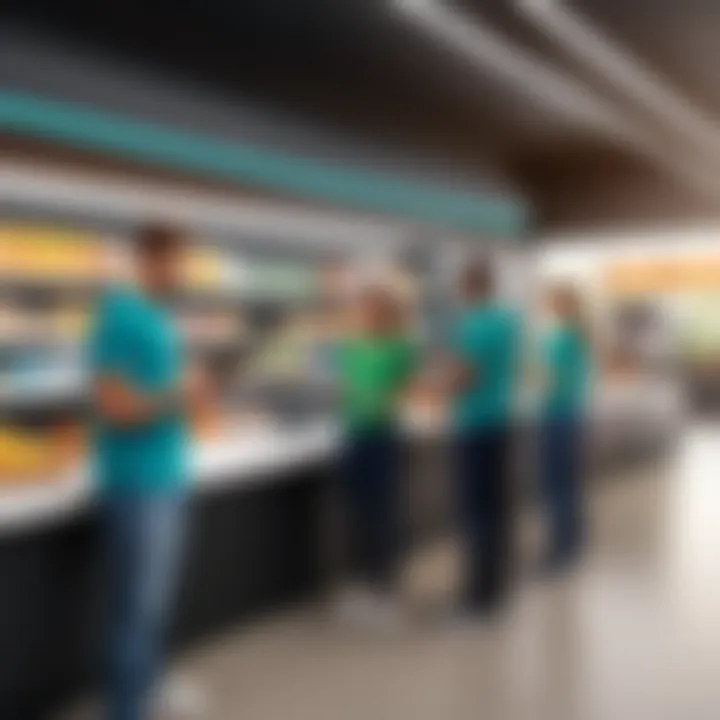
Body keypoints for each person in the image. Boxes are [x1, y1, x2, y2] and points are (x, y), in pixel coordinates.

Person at [87, 223, 208, 720]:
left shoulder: (158, 317)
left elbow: (157, 397)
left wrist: (186, 397)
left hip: (165, 477)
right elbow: (114, 406)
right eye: (177, 260)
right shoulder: (119, 316)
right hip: (137, 485)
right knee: (136, 611)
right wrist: (180, 394)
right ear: (149, 259)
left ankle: (148, 687)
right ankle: (125, 707)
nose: (183, 271)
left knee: (152, 606)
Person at [334, 284, 416, 624]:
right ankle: (362, 585)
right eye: (360, 308)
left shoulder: (399, 348)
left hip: (383, 436)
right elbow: (343, 387)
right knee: (357, 513)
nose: (362, 314)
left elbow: (401, 389)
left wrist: (380, 398)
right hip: (354, 436)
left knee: (383, 513)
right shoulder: (350, 347)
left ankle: (385, 587)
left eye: (369, 308)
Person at [448, 258, 521, 616]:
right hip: (500, 421)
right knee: (496, 509)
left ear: (469, 286)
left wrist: (440, 385)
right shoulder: (507, 321)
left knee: (475, 513)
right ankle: (497, 588)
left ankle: (477, 599)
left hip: (475, 424)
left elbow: (466, 376)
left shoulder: (473, 324)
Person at [539, 283, 591, 573]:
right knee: (568, 480)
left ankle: (560, 548)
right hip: (571, 414)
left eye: (553, 301)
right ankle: (572, 540)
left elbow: (552, 380)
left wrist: (534, 378)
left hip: (557, 415)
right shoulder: (576, 335)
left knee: (556, 482)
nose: (550, 307)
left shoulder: (561, 338)